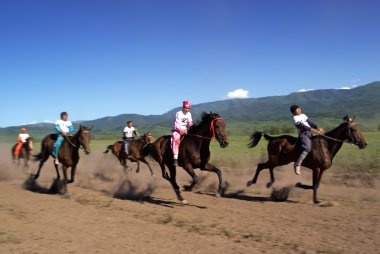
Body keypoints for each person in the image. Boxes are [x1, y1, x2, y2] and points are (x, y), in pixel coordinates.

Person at [290, 105, 323, 175]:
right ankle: (297, 164)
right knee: (307, 148)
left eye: (299, 108)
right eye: (297, 109)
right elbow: (302, 126)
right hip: (304, 134)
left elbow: (310, 122)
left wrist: (317, 127)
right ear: (294, 112)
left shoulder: (303, 115)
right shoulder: (295, 118)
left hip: (310, 132)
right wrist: (313, 130)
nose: (299, 110)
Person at [171, 100, 193, 166]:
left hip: (185, 129)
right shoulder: (179, 113)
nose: (186, 109)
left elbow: (190, 123)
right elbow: (176, 124)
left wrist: (191, 128)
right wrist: (181, 131)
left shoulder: (189, 114)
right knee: (176, 140)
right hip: (177, 129)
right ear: (183, 107)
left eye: (188, 108)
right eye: (185, 108)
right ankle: (175, 158)